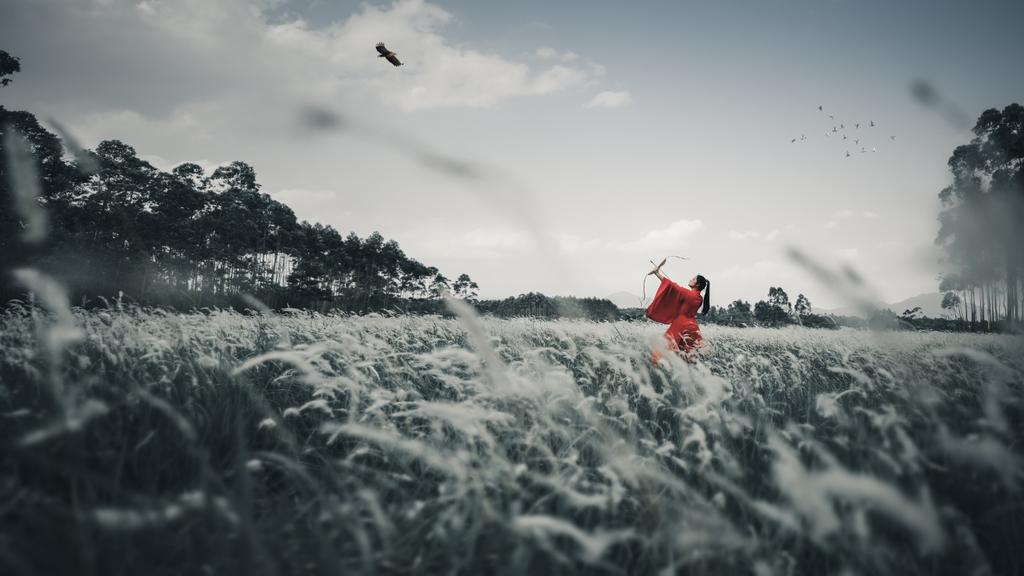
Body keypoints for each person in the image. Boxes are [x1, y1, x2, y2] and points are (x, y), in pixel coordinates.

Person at [645, 259, 711, 363]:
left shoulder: (689, 294)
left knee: (661, 350)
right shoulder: (699, 298)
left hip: (681, 325)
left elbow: (672, 286)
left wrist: (657, 273)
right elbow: (680, 294)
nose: (690, 280)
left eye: (693, 279)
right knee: (688, 356)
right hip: (692, 326)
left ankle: (658, 369)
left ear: (697, 284)